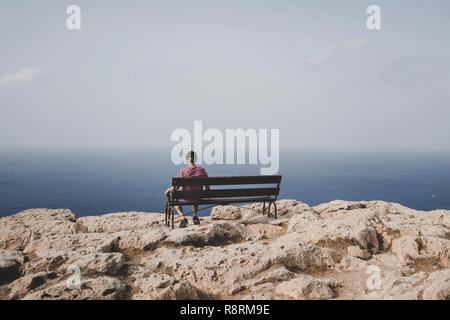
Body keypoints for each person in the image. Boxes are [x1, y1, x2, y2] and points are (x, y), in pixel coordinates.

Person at [165, 151, 209, 228]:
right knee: (195, 196)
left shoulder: (183, 172)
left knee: (176, 203)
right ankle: (195, 217)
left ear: (187, 160)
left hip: (185, 197)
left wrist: (168, 190)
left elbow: (176, 188)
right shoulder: (202, 171)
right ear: (196, 160)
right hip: (198, 197)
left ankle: (183, 218)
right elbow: (207, 187)